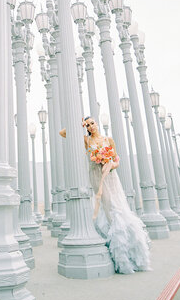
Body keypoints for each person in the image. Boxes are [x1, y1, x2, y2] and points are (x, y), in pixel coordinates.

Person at [60, 116, 151, 274]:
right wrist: (78, 123)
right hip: (96, 177)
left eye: (92, 123)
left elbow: (116, 160)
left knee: (119, 207)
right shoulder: (86, 141)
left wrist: (110, 165)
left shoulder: (108, 140)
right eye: (87, 125)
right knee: (108, 208)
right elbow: (63, 133)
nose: (90, 126)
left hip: (111, 176)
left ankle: (130, 251)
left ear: (97, 123)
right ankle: (116, 252)